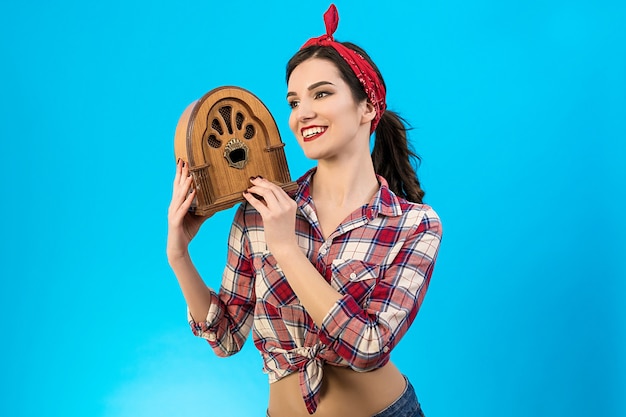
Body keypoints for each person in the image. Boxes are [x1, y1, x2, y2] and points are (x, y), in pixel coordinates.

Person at [167, 4, 442, 416]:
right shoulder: (258, 209)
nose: (303, 114)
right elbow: (226, 338)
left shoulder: (414, 225)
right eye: (294, 102)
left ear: (367, 106)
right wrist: (179, 255)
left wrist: (287, 248)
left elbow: (368, 347)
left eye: (322, 94)